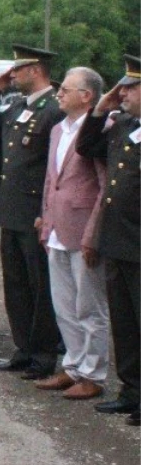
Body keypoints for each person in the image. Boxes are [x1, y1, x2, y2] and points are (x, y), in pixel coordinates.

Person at [0, 45, 64, 379]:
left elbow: (54, 167)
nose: (12, 75)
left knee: (39, 285)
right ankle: (23, 348)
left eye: (18, 69)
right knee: (15, 284)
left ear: (35, 70)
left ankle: (44, 354)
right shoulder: (17, 106)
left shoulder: (54, 108)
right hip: (11, 210)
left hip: (34, 212)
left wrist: (47, 211)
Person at [35, 66, 108, 400]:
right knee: (63, 305)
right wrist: (45, 219)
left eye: (65, 88)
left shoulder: (100, 128)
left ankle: (93, 374)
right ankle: (72, 366)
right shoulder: (56, 130)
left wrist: (94, 233)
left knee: (90, 307)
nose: (59, 93)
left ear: (87, 95)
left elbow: (104, 186)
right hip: (57, 230)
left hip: (82, 230)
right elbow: (52, 180)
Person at [75, 53, 141, 422]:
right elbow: (86, 148)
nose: (124, 93)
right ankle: (131, 390)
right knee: (125, 322)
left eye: (131, 87)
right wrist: (99, 109)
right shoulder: (121, 125)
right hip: (117, 240)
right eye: (123, 87)